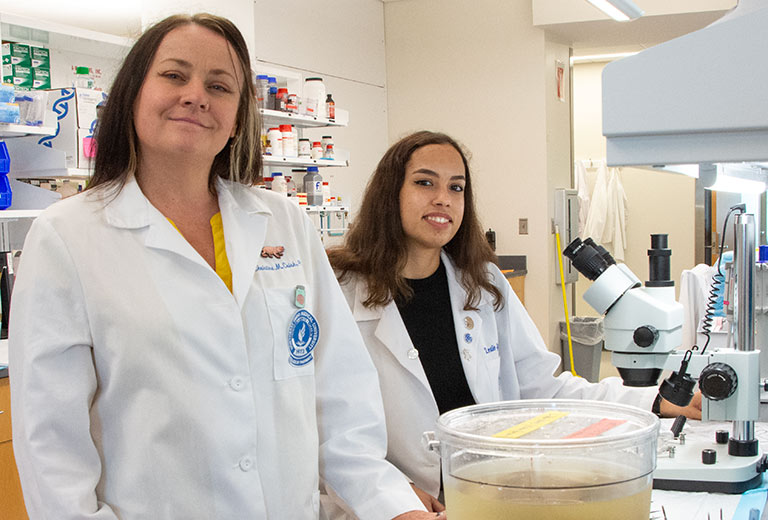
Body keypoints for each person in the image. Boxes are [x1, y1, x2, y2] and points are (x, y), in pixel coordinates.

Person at [9, 14, 440, 520]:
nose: (196, 95)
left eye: (219, 85)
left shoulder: (284, 224)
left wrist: (389, 505)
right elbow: (52, 450)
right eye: (174, 75)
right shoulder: (68, 237)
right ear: (132, 95)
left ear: (237, 119)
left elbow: (340, 399)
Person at [326, 130, 702, 511]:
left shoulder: (483, 282)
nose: (443, 198)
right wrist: (392, 496)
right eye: (425, 182)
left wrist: (659, 400)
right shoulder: (339, 292)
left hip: (490, 493)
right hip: (391, 506)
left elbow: (544, 391)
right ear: (390, 195)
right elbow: (332, 431)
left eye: (457, 188)